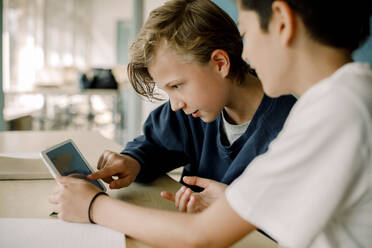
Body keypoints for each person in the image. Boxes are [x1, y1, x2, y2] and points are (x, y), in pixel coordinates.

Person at [49, 0, 372, 247]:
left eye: (245, 34)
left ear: (282, 23)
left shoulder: (336, 110)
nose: (246, 54)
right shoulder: (342, 99)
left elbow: (201, 236)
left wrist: (93, 206)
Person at [86, 0, 295, 213]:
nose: (175, 104)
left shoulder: (293, 124)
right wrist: (132, 161)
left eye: (177, 85)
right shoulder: (195, 110)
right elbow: (154, 144)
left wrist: (234, 208)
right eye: (168, 90)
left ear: (220, 64)